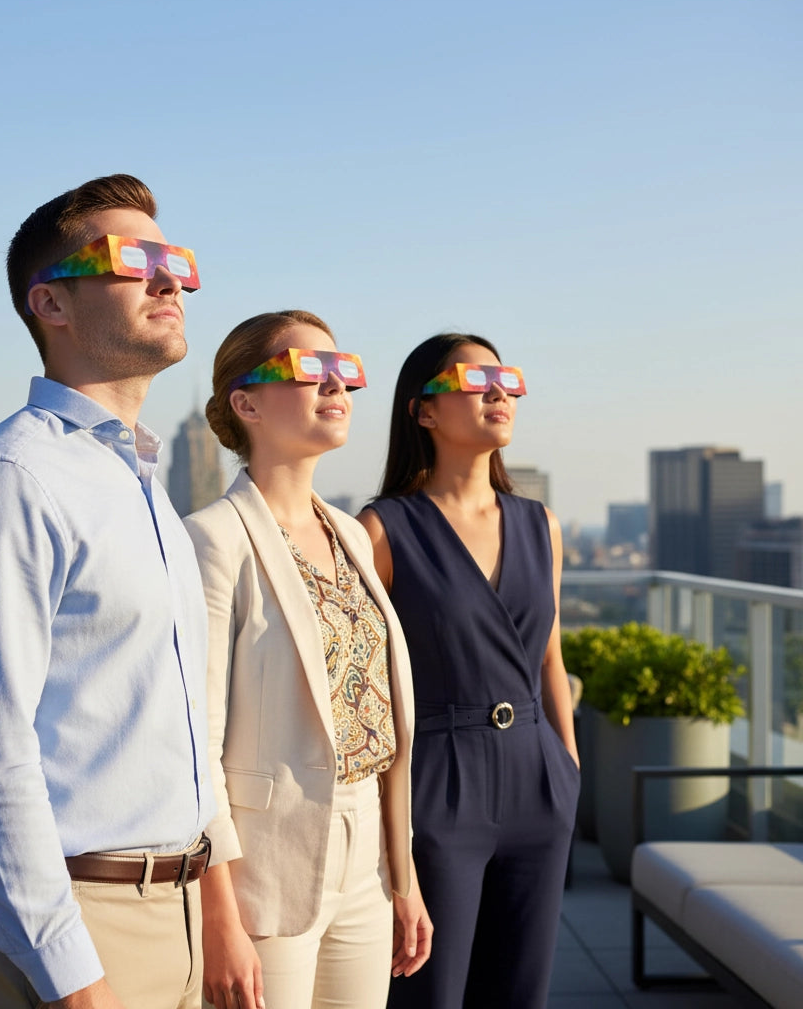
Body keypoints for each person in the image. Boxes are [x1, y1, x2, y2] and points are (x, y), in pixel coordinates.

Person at [0, 174, 216, 1009]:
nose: (169, 280)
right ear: (51, 303)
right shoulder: (10, 481)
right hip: (84, 927)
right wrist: (72, 977)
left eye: (176, 262)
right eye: (135, 261)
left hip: (179, 911)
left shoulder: (141, 482)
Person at [183, 310, 431, 1009]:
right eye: (309, 369)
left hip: (368, 857)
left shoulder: (352, 532)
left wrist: (402, 876)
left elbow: (379, 712)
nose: (336, 385)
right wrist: (219, 915)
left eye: (342, 369)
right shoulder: (212, 540)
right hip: (264, 865)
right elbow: (195, 744)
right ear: (247, 403)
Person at [357, 333, 580, 1009]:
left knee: (520, 994)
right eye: (475, 380)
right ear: (423, 410)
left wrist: (568, 768)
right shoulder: (382, 530)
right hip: (438, 784)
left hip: (537, 782)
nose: (498, 392)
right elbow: (367, 686)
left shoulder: (541, 524)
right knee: (431, 992)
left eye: (506, 379)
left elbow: (550, 657)